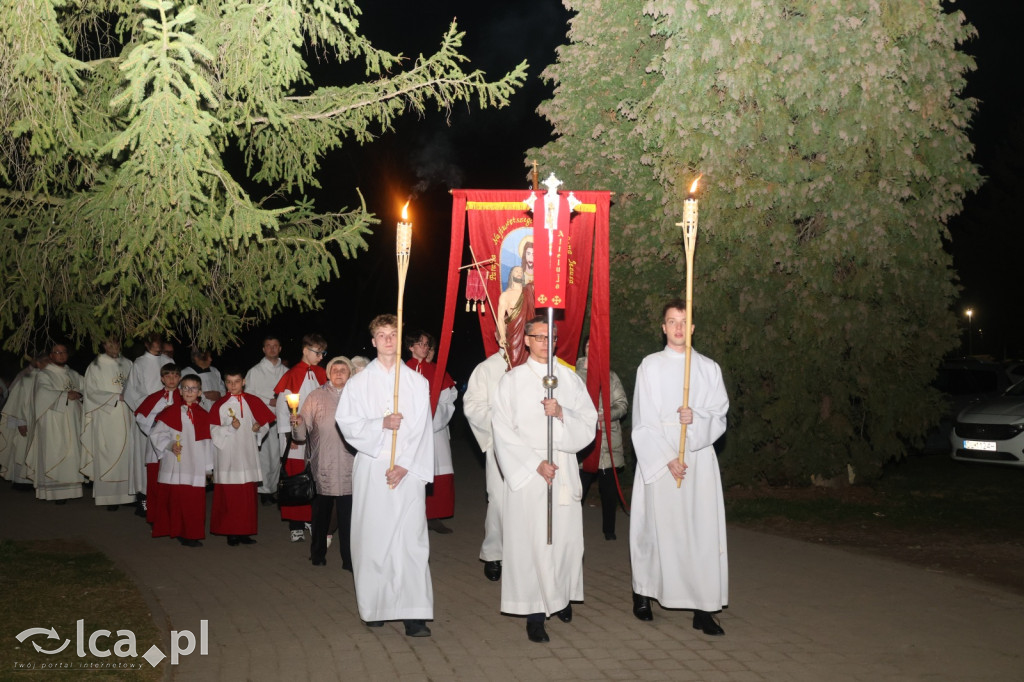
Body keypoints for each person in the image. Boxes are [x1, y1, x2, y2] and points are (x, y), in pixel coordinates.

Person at [491, 316, 597, 643]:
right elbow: (502, 430)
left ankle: (560, 597)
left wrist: (562, 413)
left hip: (562, 463)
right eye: (538, 337)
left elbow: (589, 421)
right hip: (529, 470)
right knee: (532, 542)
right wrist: (535, 463)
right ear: (525, 340)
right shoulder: (512, 381)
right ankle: (535, 612)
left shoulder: (568, 378)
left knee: (564, 541)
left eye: (550, 337)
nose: (544, 343)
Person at [630, 298, 730, 635]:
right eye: (672, 321)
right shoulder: (650, 366)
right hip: (660, 457)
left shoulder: (707, 368)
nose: (677, 328)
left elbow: (719, 415)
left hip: (698, 459)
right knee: (655, 529)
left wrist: (696, 418)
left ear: (692, 328)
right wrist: (667, 458)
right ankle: (644, 592)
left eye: (684, 322)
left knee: (700, 532)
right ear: (663, 327)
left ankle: (703, 607)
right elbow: (643, 420)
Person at [336, 314, 434, 637]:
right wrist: (381, 424)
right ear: (374, 341)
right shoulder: (358, 383)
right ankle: (375, 605)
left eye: (393, 333)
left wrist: (405, 464)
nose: (388, 339)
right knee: (373, 537)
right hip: (374, 467)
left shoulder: (417, 383)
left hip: (407, 471)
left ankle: (413, 613)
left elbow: (422, 428)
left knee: (410, 539)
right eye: (382, 334)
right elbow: (346, 423)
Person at [292, 356, 355, 569]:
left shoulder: (357, 396)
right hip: (323, 467)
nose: (338, 373)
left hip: (350, 466)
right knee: (320, 517)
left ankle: (349, 559)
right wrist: (297, 422)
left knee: (349, 520)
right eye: (334, 369)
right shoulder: (315, 396)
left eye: (343, 370)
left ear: (350, 373)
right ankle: (318, 554)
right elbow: (301, 434)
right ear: (328, 373)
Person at [210, 370, 275, 545]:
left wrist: (257, 428)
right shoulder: (219, 405)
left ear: (243, 382)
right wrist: (229, 428)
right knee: (230, 495)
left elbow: (264, 424)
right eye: (229, 382)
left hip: (247, 452)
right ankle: (231, 531)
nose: (233, 385)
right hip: (228, 455)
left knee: (247, 495)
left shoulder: (253, 401)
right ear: (224, 383)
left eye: (237, 381)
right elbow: (213, 431)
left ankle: (245, 531)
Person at [273, 334, 327, 542]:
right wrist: (289, 436)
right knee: (296, 480)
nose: (321, 357)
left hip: (318, 435)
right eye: (317, 352)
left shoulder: (322, 373)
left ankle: (311, 521)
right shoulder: (292, 375)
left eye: (323, 353)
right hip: (296, 437)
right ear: (305, 350)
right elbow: (281, 409)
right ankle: (295, 525)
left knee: (315, 479)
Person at [463, 343, 510, 580]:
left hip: (536, 448)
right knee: (500, 501)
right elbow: (472, 406)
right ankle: (494, 554)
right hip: (502, 444)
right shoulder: (487, 368)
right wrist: (503, 423)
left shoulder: (540, 365)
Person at [575, 337, 629, 540]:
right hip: (583, 441)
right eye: (588, 345)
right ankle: (570, 527)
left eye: (595, 345)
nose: (591, 348)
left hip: (607, 441)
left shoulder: (610, 376)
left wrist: (605, 414)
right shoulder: (573, 375)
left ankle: (609, 529)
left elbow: (622, 404)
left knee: (609, 491)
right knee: (578, 488)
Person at [150, 374, 214, 547]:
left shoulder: (204, 415)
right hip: (176, 463)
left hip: (196, 465)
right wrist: (170, 445)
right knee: (177, 500)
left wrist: (209, 470)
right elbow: (156, 434)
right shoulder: (171, 412)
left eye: (193, 388)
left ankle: (191, 533)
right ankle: (178, 531)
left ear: (199, 392)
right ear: (180, 390)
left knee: (194, 502)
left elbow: (208, 443)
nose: (189, 391)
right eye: (186, 388)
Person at [406, 330, 457, 534]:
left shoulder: (438, 370)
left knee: (436, 470)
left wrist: (433, 420)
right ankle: (411, 516)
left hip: (435, 431)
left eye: (427, 344)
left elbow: (448, 400)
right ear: (411, 347)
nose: (425, 348)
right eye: (420, 343)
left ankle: (433, 516)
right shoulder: (401, 370)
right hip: (408, 433)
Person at [26, 343, 86, 502]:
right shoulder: (44, 374)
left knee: (72, 454)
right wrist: (65, 395)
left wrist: (83, 393)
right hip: (53, 421)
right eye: (57, 352)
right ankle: (55, 493)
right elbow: (42, 393)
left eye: (64, 352)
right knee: (55, 453)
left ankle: (71, 491)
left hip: (72, 420)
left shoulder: (73, 373)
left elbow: (87, 386)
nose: (61, 355)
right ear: (51, 356)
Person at [80, 338, 135, 509]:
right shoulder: (95, 365)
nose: (113, 347)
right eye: (109, 344)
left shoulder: (129, 363)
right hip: (107, 416)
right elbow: (90, 391)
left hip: (129, 415)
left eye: (116, 343)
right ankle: (109, 498)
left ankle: (129, 496)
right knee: (108, 454)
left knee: (129, 455)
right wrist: (114, 397)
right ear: (103, 345)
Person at [123, 333, 168, 516]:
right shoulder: (139, 363)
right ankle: (144, 500)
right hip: (148, 418)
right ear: (147, 343)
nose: (157, 346)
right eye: (153, 343)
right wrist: (149, 410)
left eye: (160, 343)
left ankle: (163, 499)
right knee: (146, 458)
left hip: (167, 419)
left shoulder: (167, 361)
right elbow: (131, 392)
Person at [135, 364, 184, 528]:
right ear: (162, 379)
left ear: (180, 378)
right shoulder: (153, 398)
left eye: (175, 375)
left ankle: (175, 517)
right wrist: (160, 416)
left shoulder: (186, 397)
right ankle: (156, 518)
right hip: (157, 448)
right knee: (155, 484)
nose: (172, 379)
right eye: (168, 376)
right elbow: (141, 418)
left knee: (176, 485)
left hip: (179, 446)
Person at [245, 336, 287, 505]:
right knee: (264, 455)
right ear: (263, 349)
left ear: (280, 348)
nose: (272, 349)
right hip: (262, 419)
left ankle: (275, 487)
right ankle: (263, 491)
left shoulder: (286, 371)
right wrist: (268, 400)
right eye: (268, 346)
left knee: (277, 456)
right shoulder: (255, 371)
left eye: (275, 346)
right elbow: (249, 395)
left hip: (282, 419)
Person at [0, 354, 49, 489]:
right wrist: (20, 422)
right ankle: (22, 481)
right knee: (22, 448)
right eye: (45, 361)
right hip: (24, 419)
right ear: (37, 363)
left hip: (41, 420)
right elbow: (16, 400)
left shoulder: (49, 377)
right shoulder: (26, 377)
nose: (49, 363)